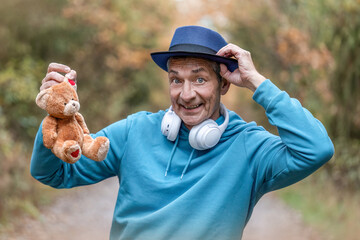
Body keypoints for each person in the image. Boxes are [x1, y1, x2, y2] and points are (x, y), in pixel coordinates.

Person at [31, 25, 334, 240]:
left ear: (224, 84)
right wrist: (57, 118)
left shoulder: (249, 147)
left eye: (200, 79)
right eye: (176, 80)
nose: (186, 94)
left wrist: (257, 82)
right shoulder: (135, 130)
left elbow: (316, 148)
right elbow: (54, 173)